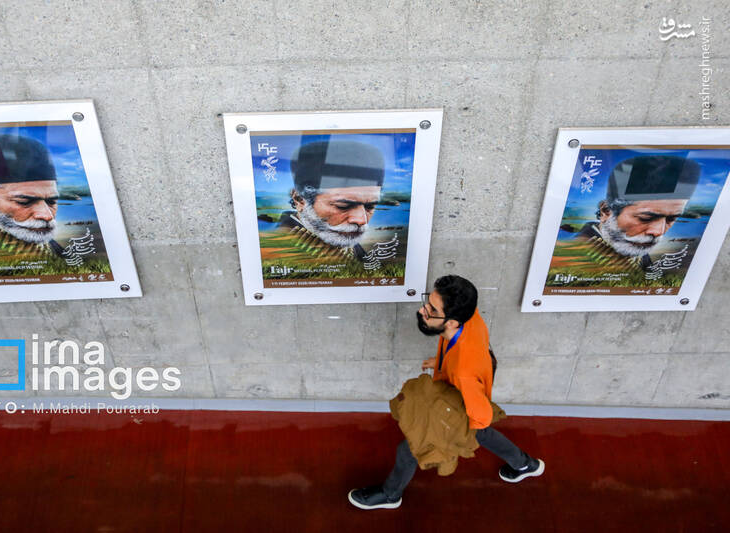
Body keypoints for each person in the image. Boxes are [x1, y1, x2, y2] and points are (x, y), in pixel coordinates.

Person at [348, 275, 544, 510]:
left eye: (431, 309)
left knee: (410, 447)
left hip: (464, 401)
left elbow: (481, 417)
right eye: (427, 302)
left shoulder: (464, 372)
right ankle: (525, 465)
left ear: (451, 322)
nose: (422, 310)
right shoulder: (469, 318)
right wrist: (442, 362)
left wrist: (452, 431)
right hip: (465, 385)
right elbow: (462, 354)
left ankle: (391, 495)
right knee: (482, 435)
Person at [574, 155, 700, 271]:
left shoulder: (637, 249)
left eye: (671, 219)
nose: (659, 232)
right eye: (645, 218)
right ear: (606, 211)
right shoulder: (577, 252)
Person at [276, 139, 385, 261]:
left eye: (370, 207)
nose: (362, 220)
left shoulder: (343, 239)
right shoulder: (279, 250)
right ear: (300, 200)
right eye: (343, 206)